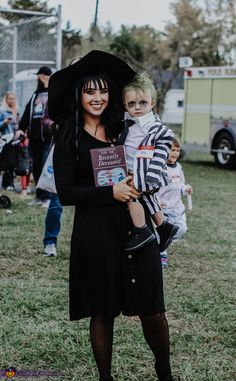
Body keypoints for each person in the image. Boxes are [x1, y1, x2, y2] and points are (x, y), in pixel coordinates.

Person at [49, 50, 181, 381]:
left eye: (103, 91)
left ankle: (164, 370)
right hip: (95, 229)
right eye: (90, 91)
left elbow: (155, 144)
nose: (97, 98)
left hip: (136, 225)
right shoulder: (68, 135)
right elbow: (65, 192)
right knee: (102, 310)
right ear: (79, 94)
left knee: (152, 310)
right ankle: (104, 377)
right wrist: (109, 192)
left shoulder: (125, 125)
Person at [120, 73, 178, 252]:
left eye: (143, 103)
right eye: (131, 104)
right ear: (125, 105)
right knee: (150, 198)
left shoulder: (157, 129)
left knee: (131, 196)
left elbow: (161, 155)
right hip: (130, 170)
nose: (137, 107)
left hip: (144, 174)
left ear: (152, 103)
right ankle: (164, 227)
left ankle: (142, 230)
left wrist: (150, 178)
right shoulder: (127, 122)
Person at [19, 66, 53, 207]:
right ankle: (39, 196)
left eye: (39, 75)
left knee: (46, 168)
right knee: (36, 167)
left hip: (47, 138)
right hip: (34, 138)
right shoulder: (35, 94)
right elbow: (28, 112)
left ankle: (47, 197)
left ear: (44, 76)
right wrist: (21, 128)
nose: (38, 78)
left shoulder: (53, 92)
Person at [158, 137, 193, 268]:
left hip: (178, 208)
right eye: (172, 150)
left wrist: (186, 189)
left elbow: (181, 184)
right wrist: (157, 202)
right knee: (164, 232)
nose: (175, 153)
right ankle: (162, 254)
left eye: (178, 150)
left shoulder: (179, 167)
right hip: (164, 208)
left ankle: (162, 244)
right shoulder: (160, 167)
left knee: (182, 229)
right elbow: (155, 188)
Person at [41, 102, 63, 257]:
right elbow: (45, 119)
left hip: (89, 149)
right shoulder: (57, 95)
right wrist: (54, 125)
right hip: (62, 149)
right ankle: (50, 242)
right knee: (56, 202)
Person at [0, 92, 20, 190]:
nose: (12, 100)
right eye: (10, 98)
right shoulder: (2, 111)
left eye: (14, 98)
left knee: (14, 162)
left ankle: (9, 183)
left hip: (16, 139)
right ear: (6, 99)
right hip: (6, 139)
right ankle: (7, 184)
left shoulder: (17, 110)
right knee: (8, 162)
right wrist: (4, 122)